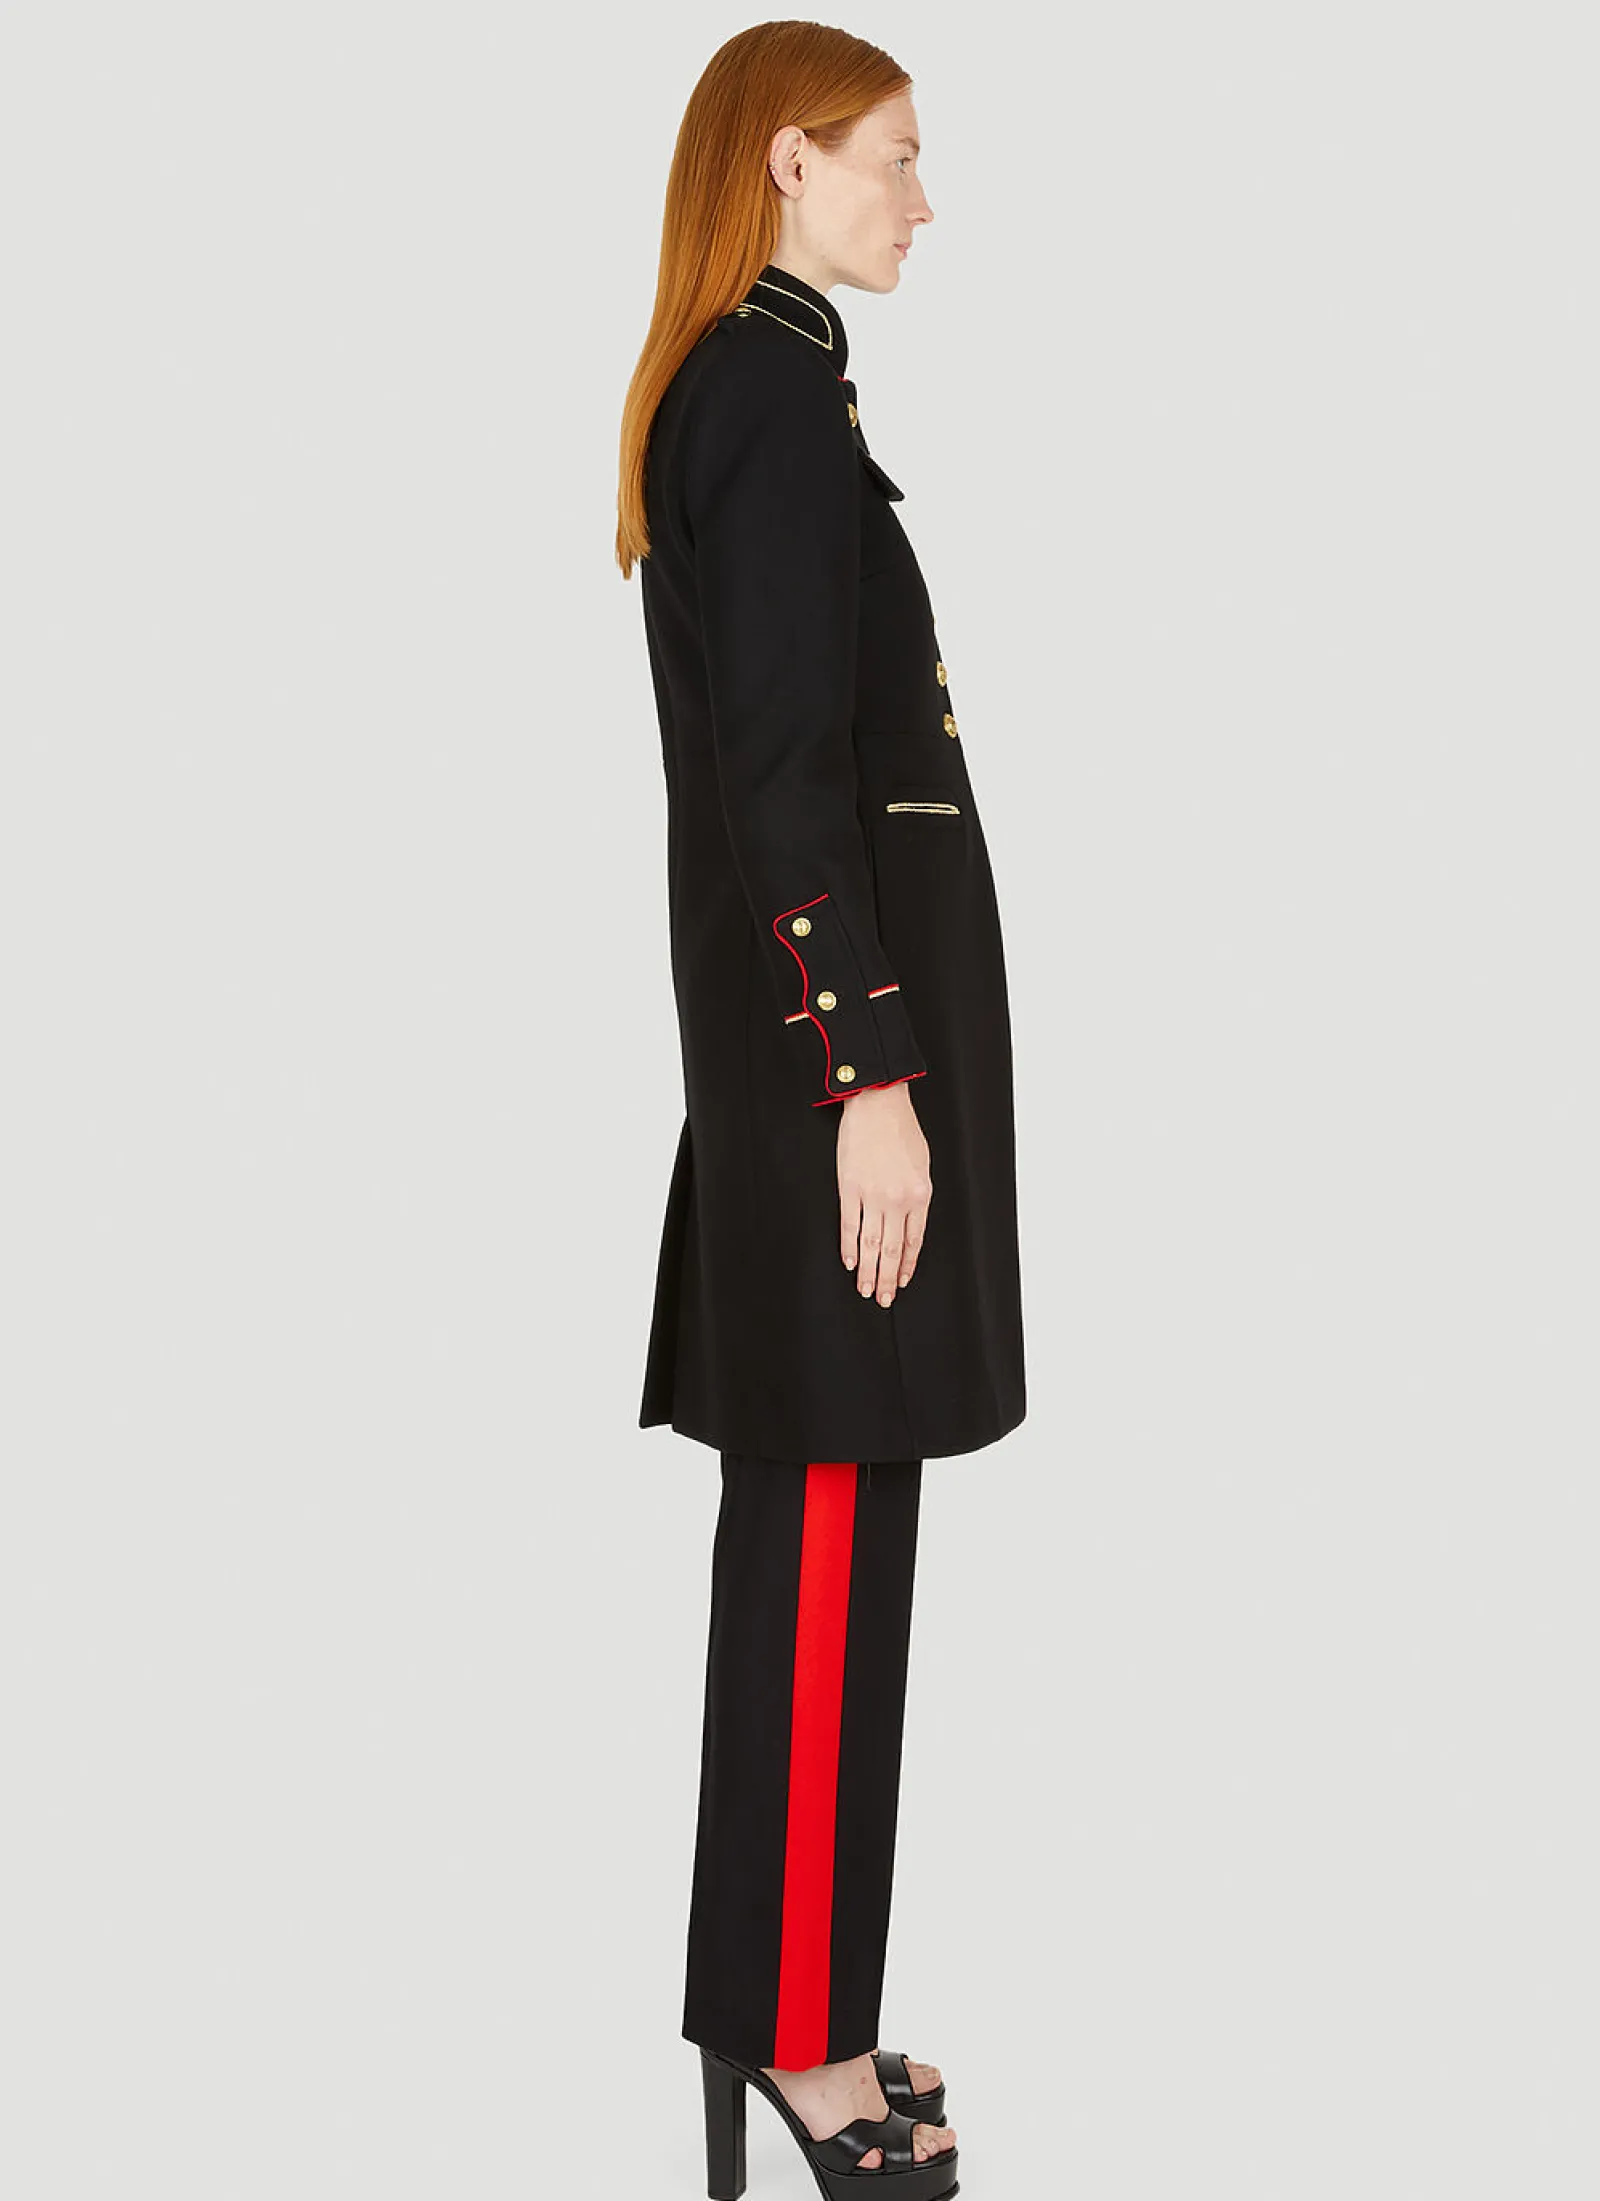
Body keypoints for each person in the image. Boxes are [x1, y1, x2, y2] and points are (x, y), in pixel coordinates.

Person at [615, 22, 1025, 2195]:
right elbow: (782, 776)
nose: (922, 200)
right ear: (787, 159)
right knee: (825, 1546)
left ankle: (799, 2001)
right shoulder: (766, 398)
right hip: (827, 1085)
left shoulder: (777, 384)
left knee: (838, 1545)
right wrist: (868, 1068)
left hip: (823, 1080)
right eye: (895, 156)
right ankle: (796, 2038)